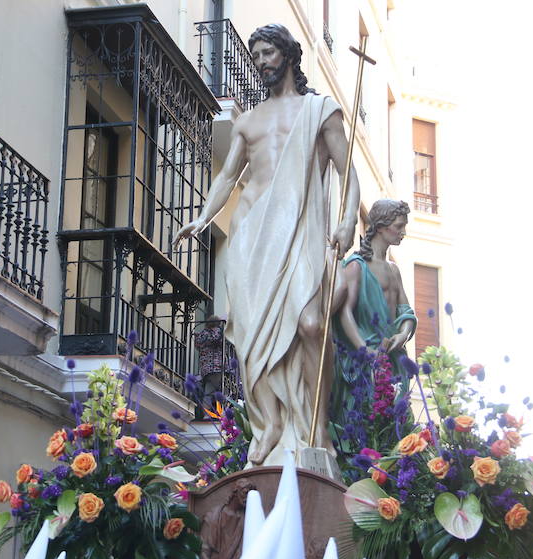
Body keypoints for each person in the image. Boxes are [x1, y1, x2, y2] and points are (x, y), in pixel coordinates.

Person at [174, 24, 360, 465]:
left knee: (312, 324)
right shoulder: (249, 121)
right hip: (252, 234)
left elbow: (348, 173)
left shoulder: (320, 111)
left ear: (289, 55)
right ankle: (270, 424)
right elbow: (227, 176)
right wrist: (203, 217)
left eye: (267, 52)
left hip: (300, 231)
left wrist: (349, 219)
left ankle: (316, 432)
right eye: (255, 55)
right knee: (253, 337)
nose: (260, 61)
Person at [332, 199, 417, 422]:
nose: (403, 232)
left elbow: (406, 311)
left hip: (392, 359)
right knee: (367, 423)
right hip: (365, 360)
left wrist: (403, 334)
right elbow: (344, 312)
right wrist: (365, 352)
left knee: (396, 429)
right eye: (399, 226)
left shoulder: (393, 270)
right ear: (381, 226)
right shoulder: (356, 266)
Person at [193, 315, 226, 395]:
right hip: (216, 366)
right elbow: (218, 340)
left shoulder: (203, 333)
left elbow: (198, 344)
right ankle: (210, 405)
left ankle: (207, 405)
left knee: (209, 389)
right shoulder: (217, 332)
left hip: (206, 368)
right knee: (216, 391)